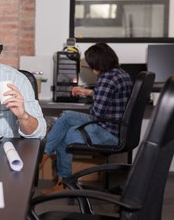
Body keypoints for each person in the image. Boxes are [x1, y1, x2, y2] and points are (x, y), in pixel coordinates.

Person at [41, 42, 133, 194]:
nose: (90, 68)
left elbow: (96, 114)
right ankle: (47, 156)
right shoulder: (121, 74)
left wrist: (93, 98)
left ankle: (61, 180)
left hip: (108, 132)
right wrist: (89, 93)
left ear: (97, 63)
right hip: (118, 129)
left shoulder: (106, 79)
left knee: (66, 134)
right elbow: (110, 97)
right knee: (65, 116)